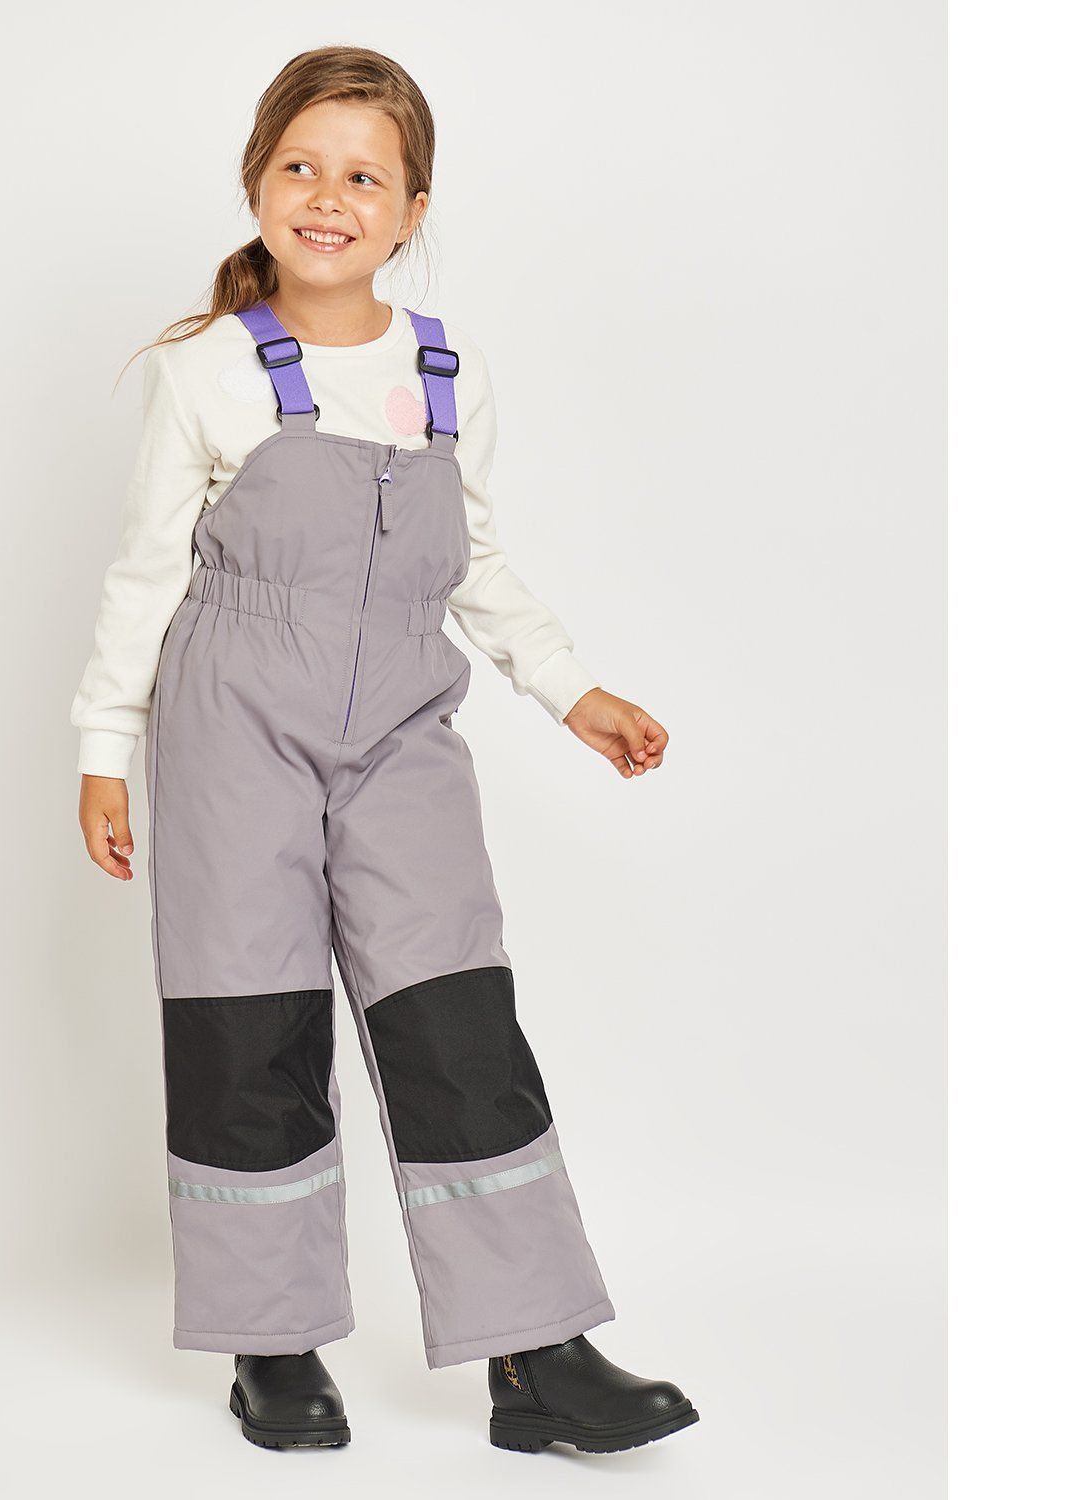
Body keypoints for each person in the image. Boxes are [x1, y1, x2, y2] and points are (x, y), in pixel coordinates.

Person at [72, 45, 697, 1456]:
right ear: (256, 183)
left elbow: (474, 561)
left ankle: (537, 1353)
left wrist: (572, 688)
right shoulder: (206, 372)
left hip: (403, 731)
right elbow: (144, 574)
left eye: (364, 177)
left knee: (454, 1018)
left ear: (412, 210)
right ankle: (272, 1343)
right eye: (301, 166)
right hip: (234, 727)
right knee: (249, 1019)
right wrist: (105, 745)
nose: (328, 196)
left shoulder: (442, 368)